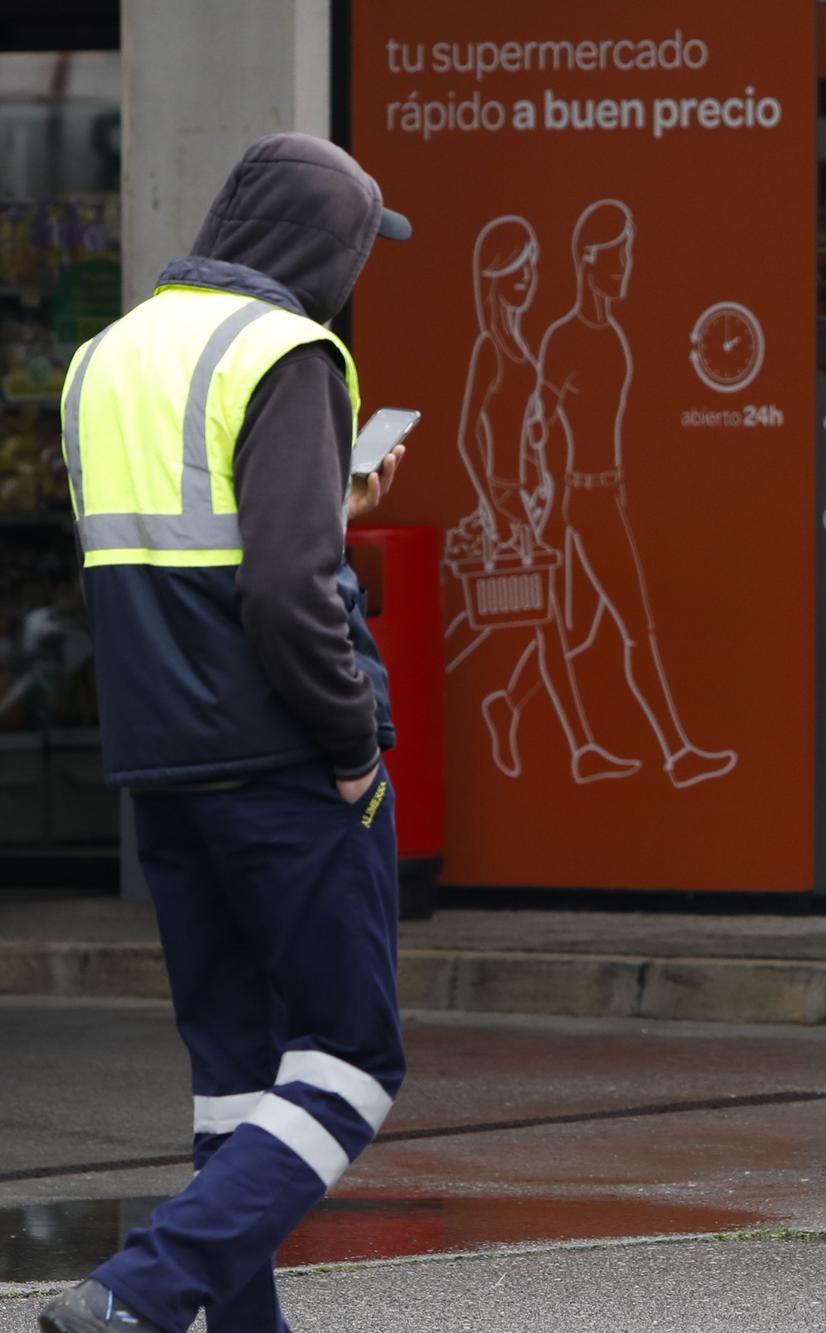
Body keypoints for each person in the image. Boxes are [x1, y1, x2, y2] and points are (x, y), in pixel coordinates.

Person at [41, 133, 411, 1333]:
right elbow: (287, 597)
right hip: (282, 760)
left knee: (236, 1074)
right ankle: (136, 1295)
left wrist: (330, 500)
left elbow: (169, 544)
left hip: (162, 765)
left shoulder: (102, 357)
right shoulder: (291, 350)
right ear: (327, 247)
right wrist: (354, 741)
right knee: (352, 1063)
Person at [486, 199, 736, 789]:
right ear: (590, 262)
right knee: (635, 626)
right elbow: (537, 421)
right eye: (618, 256)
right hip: (582, 504)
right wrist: (535, 488)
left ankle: (507, 705)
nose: (626, 265)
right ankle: (677, 753)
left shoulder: (613, 336)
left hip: (605, 497)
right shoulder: (566, 337)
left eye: (627, 253)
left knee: (577, 632)